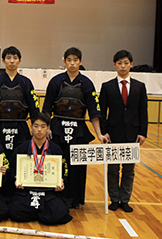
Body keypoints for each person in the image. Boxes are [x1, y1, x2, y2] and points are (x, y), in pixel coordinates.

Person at [42, 47, 107, 209]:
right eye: (69, 60)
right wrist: (47, 127)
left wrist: (99, 134)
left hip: (79, 130)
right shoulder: (56, 81)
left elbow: (94, 111)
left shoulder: (86, 83)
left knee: (77, 167)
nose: (72, 64)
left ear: (80, 62)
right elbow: (47, 108)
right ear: (64, 61)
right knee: (56, 163)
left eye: (75, 60)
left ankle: (76, 199)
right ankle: (55, 196)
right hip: (57, 129)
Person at [99, 50, 148, 212]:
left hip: (133, 134)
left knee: (129, 169)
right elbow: (102, 112)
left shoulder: (140, 87)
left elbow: (143, 112)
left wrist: (143, 132)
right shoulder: (107, 87)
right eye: (119, 63)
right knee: (113, 169)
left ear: (131, 64)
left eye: (126, 63)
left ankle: (125, 199)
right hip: (113, 134)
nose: (123, 66)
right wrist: (104, 132)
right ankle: (114, 199)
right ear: (114, 65)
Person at [8, 112, 72, 225]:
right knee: (15, 211)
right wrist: (15, 178)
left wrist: (62, 181)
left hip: (48, 192)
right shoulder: (21, 148)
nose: (39, 130)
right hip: (27, 191)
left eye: (43, 127)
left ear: (48, 129)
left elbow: (64, 170)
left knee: (60, 212)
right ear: (31, 127)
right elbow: (12, 168)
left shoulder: (56, 149)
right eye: (36, 126)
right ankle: (40, 213)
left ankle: (38, 213)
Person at [0, 46, 39, 161]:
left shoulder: (26, 83)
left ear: (20, 61)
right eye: (8, 58)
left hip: (21, 128)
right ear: (3, 61)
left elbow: (34, 109)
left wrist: (35, 126)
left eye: (15, 58)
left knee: (20, 160)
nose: (12, 61)